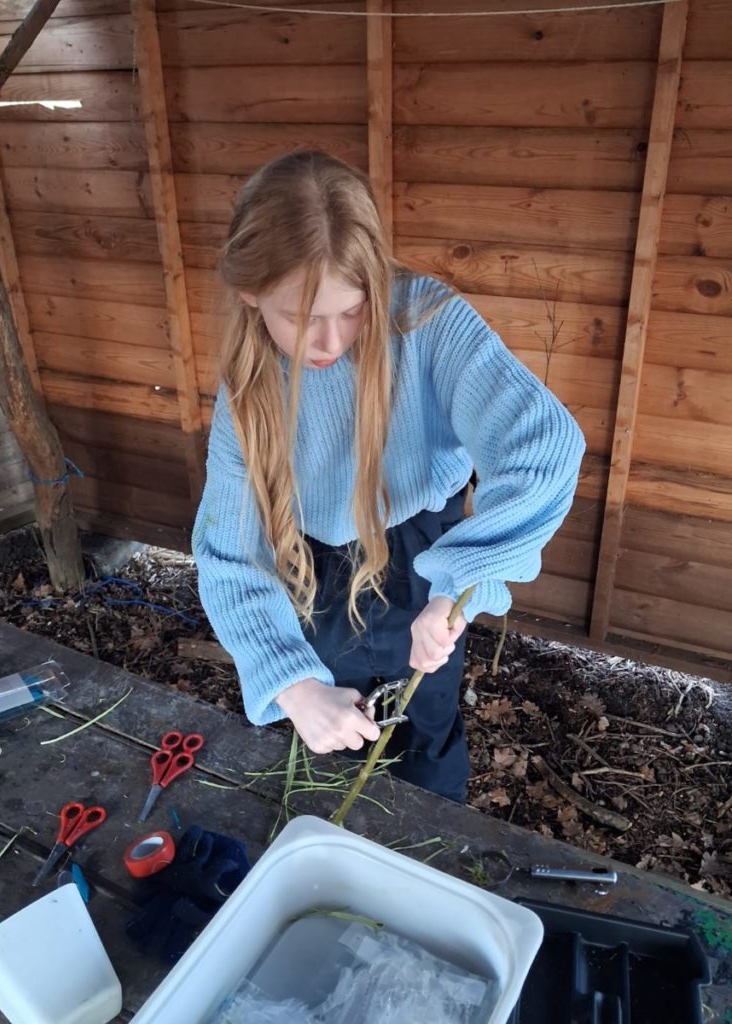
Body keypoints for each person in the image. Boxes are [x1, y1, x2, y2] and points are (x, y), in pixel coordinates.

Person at [192, 150, 585, 803]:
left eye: (351, 311)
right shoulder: (248, 390)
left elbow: (543, 446)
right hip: (309, 570)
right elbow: (229, 554)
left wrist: (457, 586)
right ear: (251, 294)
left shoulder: (426, 322)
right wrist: (295, 687)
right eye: (300, 319)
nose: (329, 342)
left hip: (422, 556)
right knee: (332, 741)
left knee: (425, 731)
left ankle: (432, 844)